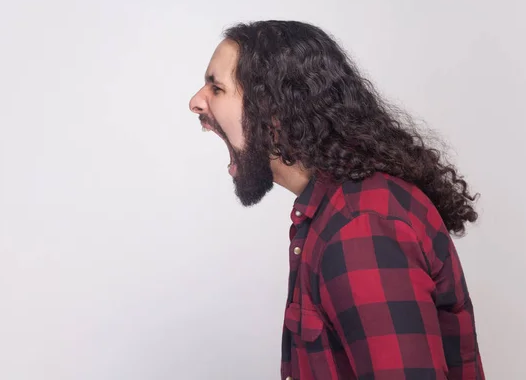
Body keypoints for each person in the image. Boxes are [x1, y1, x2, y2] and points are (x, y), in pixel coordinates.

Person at [189, 20, 484, 380]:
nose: (196, 101)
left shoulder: (361, 226)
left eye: (216, 88)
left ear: (274, 113)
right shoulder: (336, 212)